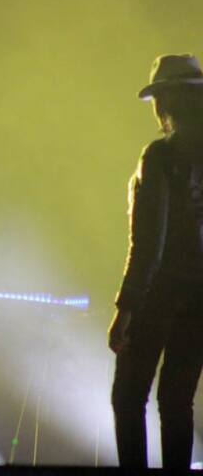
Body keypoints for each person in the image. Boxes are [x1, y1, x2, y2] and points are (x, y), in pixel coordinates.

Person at [109, 54, 203, 468]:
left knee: (128, 397)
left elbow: (149, 243)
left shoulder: (160, 156)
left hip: (159, 294)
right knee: (177, 401)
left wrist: (126, 308)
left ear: (165, 100)